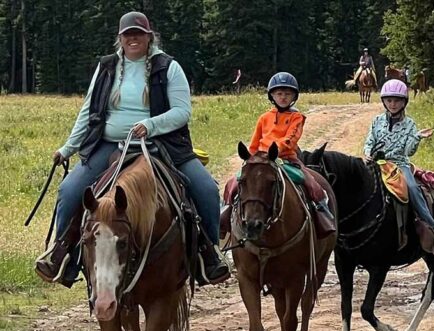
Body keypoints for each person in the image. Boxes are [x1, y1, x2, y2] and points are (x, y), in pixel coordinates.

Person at [35, 11, 229, 287]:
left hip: (161, 144)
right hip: (109, 144)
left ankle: (209, 255)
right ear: (120, 38)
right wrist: (68, 148)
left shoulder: (168, 67)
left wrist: (150, 125)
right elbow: (88, 112)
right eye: (128, 35)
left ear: (149, 37)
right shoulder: (106, 67)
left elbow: (182, 112)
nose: (133, 39)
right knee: (69, 190)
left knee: (206, 189)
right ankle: (63, 254)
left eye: (138, 34)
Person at [220, 72, 335, 237]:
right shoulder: (264, 118)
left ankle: (323, 216)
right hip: (260, 160)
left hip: (287, 159)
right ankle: (225, 216)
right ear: (272, 95)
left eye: (287, 94)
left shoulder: (297, 117)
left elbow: (290, 139)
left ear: (294, 96)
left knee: (314, 185)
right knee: (232, 183)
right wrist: (252, 159)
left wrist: (273, 151)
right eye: (279, 94)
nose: (283, 98)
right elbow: (254, 143)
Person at [363, 79, 434, 230]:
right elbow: (369, 140)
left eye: (397, 101)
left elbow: (408, 151)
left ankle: (429, 221)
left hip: (399, 164)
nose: (393, 104)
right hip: (376, 163)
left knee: (411, 187)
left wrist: (417, 137)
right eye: (389, 100)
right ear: (384, 101)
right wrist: (366, 152)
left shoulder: (410, 124)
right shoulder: (376, 121)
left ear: (404, 102)